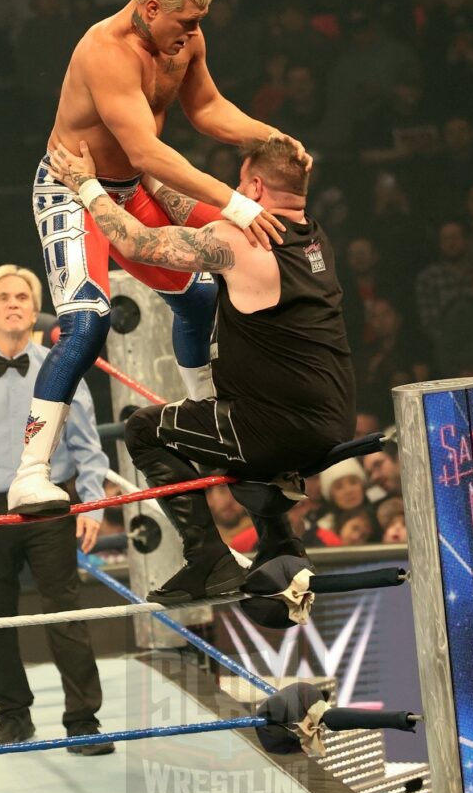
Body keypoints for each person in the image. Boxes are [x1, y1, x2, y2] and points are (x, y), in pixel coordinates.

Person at [7, 0, 309, 516]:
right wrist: (237, 202)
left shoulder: (180, 39)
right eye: (186, 22)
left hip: (134, 187)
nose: (195, 34)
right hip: (75, 188)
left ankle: (217, 428)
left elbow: (207, 108)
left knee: (200, 298)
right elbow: (146, 147)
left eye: (198, 23)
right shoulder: (105, 53)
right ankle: (29, 474)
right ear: (150, 8)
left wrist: (273, 137)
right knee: (87, 322)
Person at [48, 137, 355, 604]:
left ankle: (208, 558)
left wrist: (86, 185)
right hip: (328, 420)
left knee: (144, 430)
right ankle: (280, 542)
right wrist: (144, 178)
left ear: (253, 186)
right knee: (220, 424)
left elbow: (135, 241)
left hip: (275, 428)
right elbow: (194, 209)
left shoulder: (243, 243)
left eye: (238, 183)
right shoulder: (313, 235)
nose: (231, 192)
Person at [0, 265, 112, 753]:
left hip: (49, 505)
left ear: (35, 311)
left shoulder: (63, 367)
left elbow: (89, 448)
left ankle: (83, 723)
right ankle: (12, 716)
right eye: (4, 297)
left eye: (23, 297)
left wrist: (92, 505)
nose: (14, 304)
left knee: (65, 615)